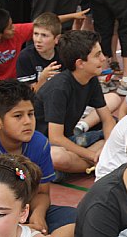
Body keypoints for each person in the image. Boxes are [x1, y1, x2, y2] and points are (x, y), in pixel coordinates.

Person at [0, 80, 76, 237]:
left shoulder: (39, 143)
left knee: (78, 218)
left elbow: (42, 193)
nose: (28, 122)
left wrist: (38, 215)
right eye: (18, 116)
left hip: (26, 210)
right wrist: (17, 226)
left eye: (31, 114)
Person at [34, 30, 116, 176]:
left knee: (117, 131)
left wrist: (108, 147)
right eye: (97, 55)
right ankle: (98, 162)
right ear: (80, 63)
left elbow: (107, 119)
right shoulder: (59, 88)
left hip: (69, 139)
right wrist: (92, 155)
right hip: (49, 146)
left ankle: (89, 163)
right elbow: (55, 138)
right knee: (57, 157)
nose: (103, 59)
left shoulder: (90, 79)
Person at [0, 7, 87, 88]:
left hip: (21, 82)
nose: (14, 28)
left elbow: (47, 24)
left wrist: (73, 16)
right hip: (1, 87)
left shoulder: (17, 32)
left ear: (56, 39)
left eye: (43, 36)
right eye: (10, 28)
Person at [16, 12, 61, 91]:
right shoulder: (25, 57)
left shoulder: (64, 54)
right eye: (36, 34)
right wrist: (43, 78)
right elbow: (28, 96)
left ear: (56, 39)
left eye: (44, 35)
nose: (38, 40)